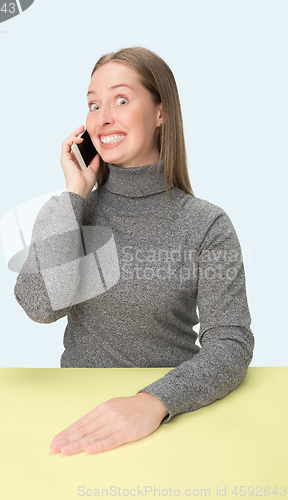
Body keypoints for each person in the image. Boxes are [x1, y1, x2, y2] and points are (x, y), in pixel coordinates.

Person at [14, 47, 254, 456]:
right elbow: (40, 306)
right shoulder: (71, 212)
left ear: (161, 113)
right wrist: (75, 192)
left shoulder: (208, 224)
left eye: (121, 100)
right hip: (78, 419)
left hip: (175, 416)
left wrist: (152, 403)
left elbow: (230, 344)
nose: (103, 117)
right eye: (93, 104)